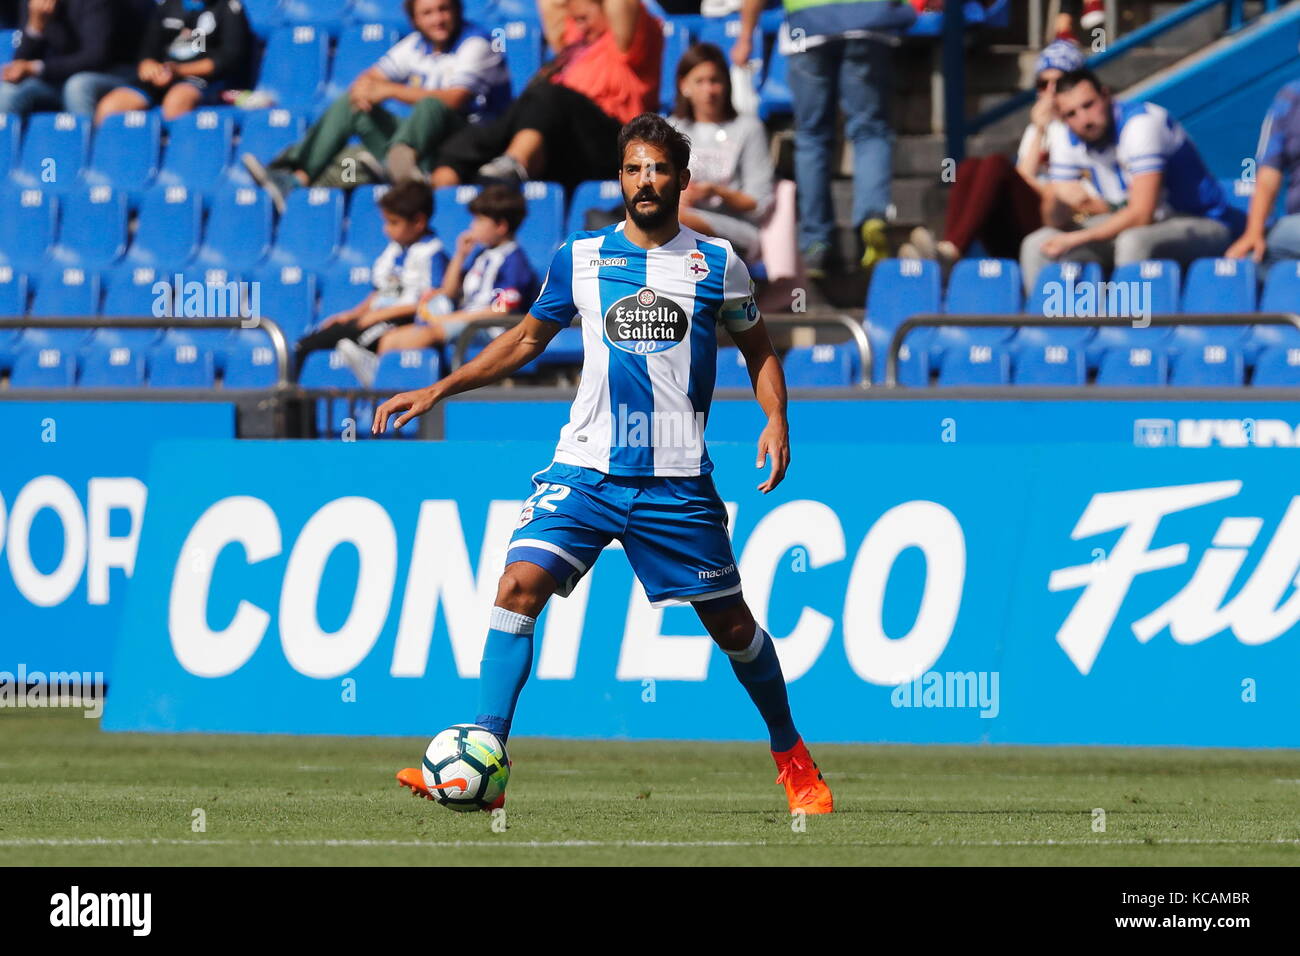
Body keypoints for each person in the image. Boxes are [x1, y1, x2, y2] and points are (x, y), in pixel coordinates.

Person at [378, 113, 833, 816]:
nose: (645, 181)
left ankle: (792, 757)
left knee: (734, 629)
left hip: (675, 481)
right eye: (633, 169)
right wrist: (441, 387)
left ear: (681, 179)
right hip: (585, 470)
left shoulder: (716, 263)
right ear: (620, 179)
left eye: (658, 169)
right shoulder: (580, 258)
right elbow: (527, 340)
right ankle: (487, 757)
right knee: (518, 585)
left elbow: (759, 349)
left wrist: (776, 417)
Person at [243, 0, 510, 214]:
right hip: (424, 145)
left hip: (466, 143)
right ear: (415, 19)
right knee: (352, 104)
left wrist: (389, 90)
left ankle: (401, 160)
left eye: (443, 9)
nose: (437, 19)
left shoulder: (476, 43)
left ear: (457, 9)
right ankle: (294, 178)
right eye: (427, 12)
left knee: (431, 105)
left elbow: (454, 99)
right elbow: (367, 79)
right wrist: (364, 92)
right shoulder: (416, 45)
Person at [1019, 68, 1245, 292]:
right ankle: (1047, 326)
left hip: (1202, 223)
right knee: (1037, 244)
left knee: (1133, 242)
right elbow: (1055, 221)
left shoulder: (1141, 124)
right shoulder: (1067, 137)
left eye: (1088, 105)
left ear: (1106, 96)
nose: (1084, 119)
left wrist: (1076, 238)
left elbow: (1142, 214)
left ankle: (1126, 324)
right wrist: (1054, 196)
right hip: (1128, 223)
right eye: (1071, 114)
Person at [734, 0, 916, 277]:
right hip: (866, 20)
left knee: (812, 137)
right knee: (870, 131)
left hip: (808, 25)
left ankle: (816, 241)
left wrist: (745, 36)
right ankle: (872, 217)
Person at [430, 0, 663, 191]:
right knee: (471, 137)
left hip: (614, 141)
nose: (578, 28)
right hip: (565, 144)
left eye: (583, 19)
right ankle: (444, 191)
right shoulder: (575, 45)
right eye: (575, 20)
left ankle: (514, 165)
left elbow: (623, 6)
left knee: (549, 95)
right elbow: (552, 6)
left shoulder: (626, 43)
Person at [902, 39, 1091, 264]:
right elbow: (1025, 175)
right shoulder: (1038, 127)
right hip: (1027, 218)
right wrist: (1040, 129)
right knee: (969, 167)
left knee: (996, 165)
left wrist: (1034, 182)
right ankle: (949, 247)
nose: (1050, 92)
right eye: (1043, 84)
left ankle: (951, 254)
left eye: (1058, 83)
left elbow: (1071, 192)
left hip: (1061, 218)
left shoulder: (1086, 124)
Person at [365, 184, 539, 377]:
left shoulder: (515, 261)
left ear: (501, 226)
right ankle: (379, 375)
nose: (472, 226)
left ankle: (378, 374)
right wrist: (460, 256)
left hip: (490, 329)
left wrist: (451, 319)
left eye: (479, 220)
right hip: (465, 323)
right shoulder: (480, 254)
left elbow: (502, 309)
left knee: (419, 336)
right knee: (395, 335)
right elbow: (449, 292)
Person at [294, 181, 449, 377]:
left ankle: (374, 374)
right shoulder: (394, 250)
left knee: (357, 343)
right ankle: (292, 403)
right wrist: (352, 314)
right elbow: (381, 292)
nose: (386, 230)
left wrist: (378, 316)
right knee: (304, 346)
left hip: (401, 320)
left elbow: (427, 301)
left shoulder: (432, 253)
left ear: (418, 222)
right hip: (375, 317)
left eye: (393, 223)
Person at [666, 42, 773, 264]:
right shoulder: (672, 128)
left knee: (665, 219)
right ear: (684, 85)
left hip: (736, 229)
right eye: (700, 81)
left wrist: (716, 191)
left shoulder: (748, 128)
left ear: (726, 84)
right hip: (678, 221)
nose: (709, 90)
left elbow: (758, 204)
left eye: (715, 81)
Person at [93, 0, 253, 124]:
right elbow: (148, 49)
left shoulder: (228, 6)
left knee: (177, 101)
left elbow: (230, 58)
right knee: (110, 106)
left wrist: (178, 71)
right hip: (161, 76)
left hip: (204, 79)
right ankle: (107, 164)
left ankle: (179, 162)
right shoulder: (167, 5)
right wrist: (148, 65)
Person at [0, 0, 151, 117]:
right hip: (55, 79)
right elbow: (20, 61)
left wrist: (35, 68)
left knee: (78, 86)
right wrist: (36, 25)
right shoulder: (32, 3)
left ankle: (85, 153)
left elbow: (95, 57)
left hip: (110, 73)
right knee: (7, 91)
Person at [1226, 79, 1300, 273]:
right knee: (1252, 260)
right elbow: (1268, 173)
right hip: (1295, 224)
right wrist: (1253, 232)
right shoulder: (1290, 97)